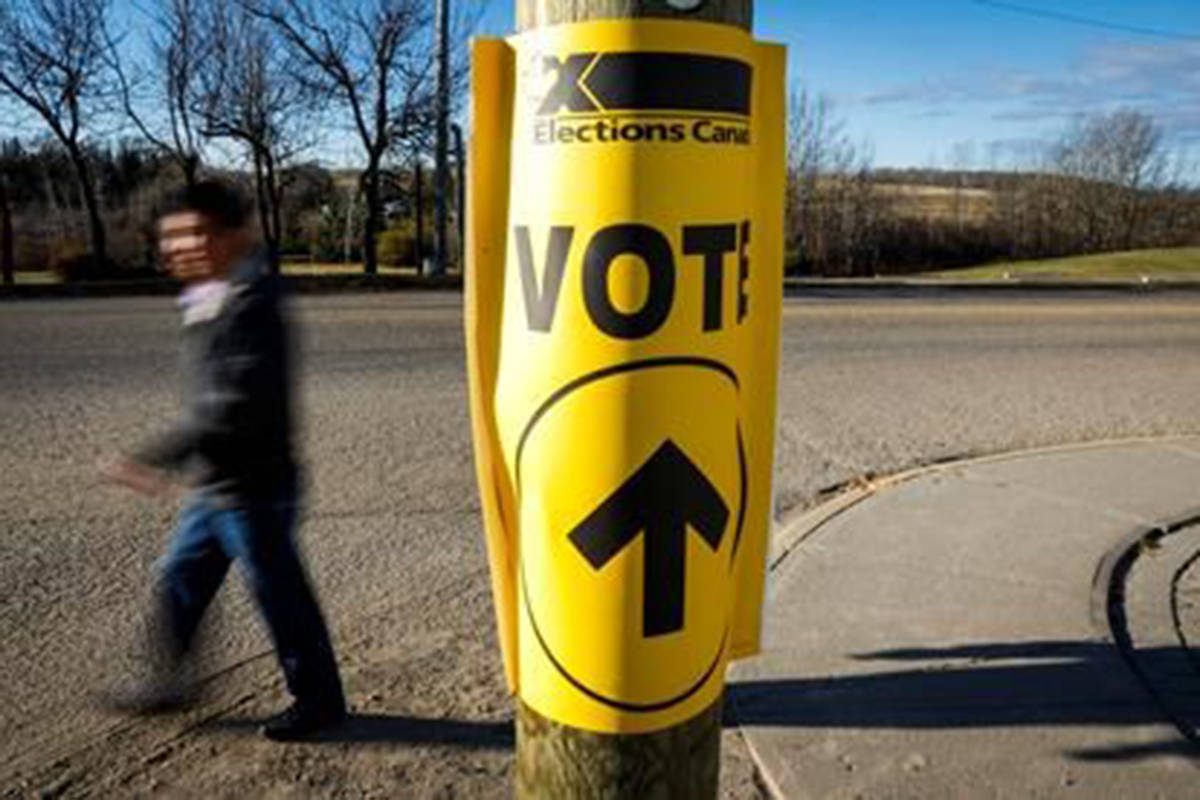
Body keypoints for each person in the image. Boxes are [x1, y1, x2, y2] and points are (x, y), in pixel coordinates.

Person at [100, 179, 345, 741]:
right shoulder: (212, 293)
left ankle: (321, 701)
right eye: (171, 237)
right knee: (180, 580)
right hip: (216, 482)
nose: (179, 247)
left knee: (279, 595)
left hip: (256, 486)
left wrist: (155, 457)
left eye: (195, 233)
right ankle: (168, 683)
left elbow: (231, 402)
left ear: (238, 234)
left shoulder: (255, 301)